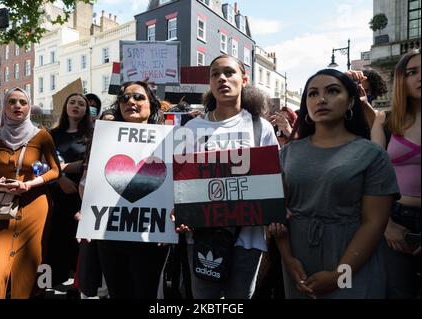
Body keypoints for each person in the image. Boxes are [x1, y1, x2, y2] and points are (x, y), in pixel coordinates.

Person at [272, 69, 400, 299]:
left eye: (332, 91)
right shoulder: (287, 153)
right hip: (298, 259)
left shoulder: (372, 154)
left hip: (351, 257)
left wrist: (339, 275)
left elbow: (374, 223)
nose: (321, 99)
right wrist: (289, 260)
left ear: (351, 100)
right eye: (312, 94)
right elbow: (277, 214)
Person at [175, 54, 279, 299]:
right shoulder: (191, 129)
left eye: (229, 72)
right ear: (210, 84)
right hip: (201, 237)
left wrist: (274, 213)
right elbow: (180, 183)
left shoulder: (260, 127)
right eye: (215, 74)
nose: (221, 78)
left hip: (247, 239)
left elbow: (274, 179)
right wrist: (180, 212)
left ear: (244, 80)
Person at [0, 87, 60, 299]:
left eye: (22, 102)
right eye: (12, 102)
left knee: (27, 270)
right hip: (0, 206)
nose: (17, 106)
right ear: (4, 107)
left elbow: (55, 170)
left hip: (34, 205)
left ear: (29, 106)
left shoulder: (42, 136)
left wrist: (30, 184)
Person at [90, 81, 169, 298]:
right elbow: (90, 185)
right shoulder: (103, 140)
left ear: (152, 106)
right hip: (110, 232)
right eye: (125, 98)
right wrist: (87, 213)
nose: (131, 102)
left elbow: (177, 187)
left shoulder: (168, 141)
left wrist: (171, 217)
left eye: (138, 97)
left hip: (151, 233)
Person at [371, 49, 421, 299]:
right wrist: (386, 224)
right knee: (399, 293)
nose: (419, 77)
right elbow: (371, 180)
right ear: (402, 79)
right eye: (412, 72)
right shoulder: (385, 121)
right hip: (396, 217)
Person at [46, 93, 92, 292]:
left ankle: (77, 285)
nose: (76, 106)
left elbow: (88, 164)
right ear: (65, 107)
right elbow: (43, 164)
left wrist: (60, 166)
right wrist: (60, 176)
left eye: (81, 104)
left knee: (78, 243)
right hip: (56, 194)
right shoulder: (51, 134)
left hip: (81, 198)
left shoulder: (91, 134)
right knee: (56, 240)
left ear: (86, 110)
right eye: (72, 102)